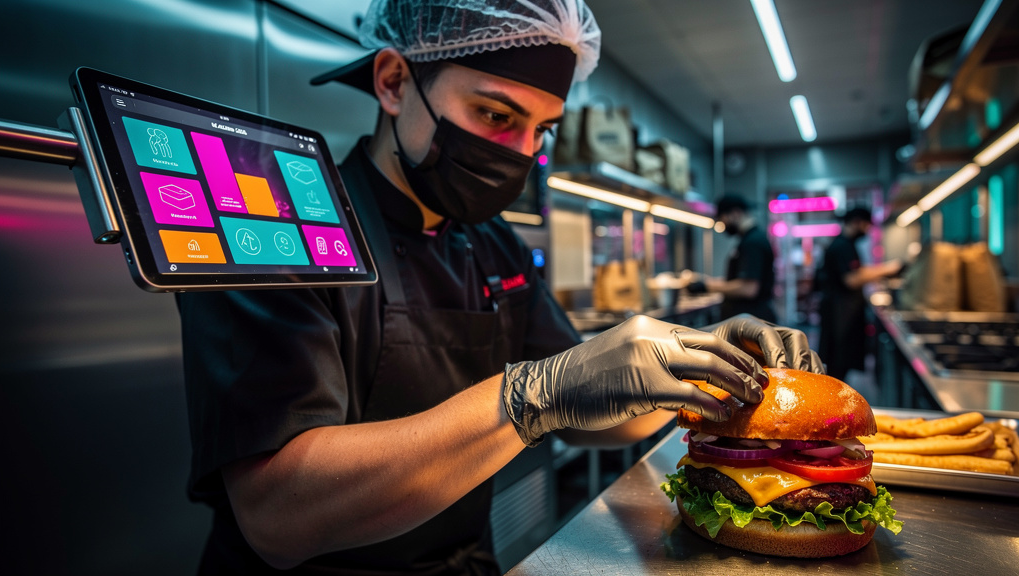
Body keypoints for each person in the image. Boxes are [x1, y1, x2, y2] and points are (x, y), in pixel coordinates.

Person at [176, 1, 824, 573]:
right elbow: (278, 517)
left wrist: (700, 368)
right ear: (395, 82)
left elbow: (591, 419)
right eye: (493, 114)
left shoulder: (490, 241)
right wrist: (534, 396)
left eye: (541, 130)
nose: (519, 153)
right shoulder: (275, 221)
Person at [817, 207, 901, 381]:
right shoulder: (842, 246)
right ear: (857, 222)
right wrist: (888, 269)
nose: (867, 230)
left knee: (840, 367)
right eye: (866, 225)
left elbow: (858, 272)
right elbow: (852, 279)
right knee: (837, 368)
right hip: (840, 316)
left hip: (843, 313)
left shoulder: (844, 244)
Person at [693, 195, 777, 322]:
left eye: (723, 220)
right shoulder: (749, 240)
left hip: (751, 321)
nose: (723, 225)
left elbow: (748, 288)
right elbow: (739, 279)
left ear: (735, 213)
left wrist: (706, 287)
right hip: (748, 320)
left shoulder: (752, 242)